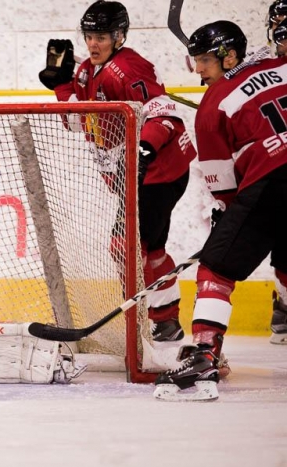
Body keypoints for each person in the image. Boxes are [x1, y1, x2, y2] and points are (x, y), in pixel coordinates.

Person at [38, 0, 197, 344]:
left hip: (157, 173)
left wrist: (145, 149)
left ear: (119, 36)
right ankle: (166, 320)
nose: (93, 44)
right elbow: (77, 122)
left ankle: (140, 320)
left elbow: (164, 114)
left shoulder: (128, 68)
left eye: (102, 37)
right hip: (132, 175)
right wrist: (62, 86)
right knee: (151, 251)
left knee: (123, 245)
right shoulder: (86, 72)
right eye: (89, 35)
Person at [154, 21, 287, 400]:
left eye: (206, 61)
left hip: (273, 179)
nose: (198, 70)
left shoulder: (213, 104)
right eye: (195, 60)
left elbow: (224, 185)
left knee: (217, 267)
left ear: (230, 56)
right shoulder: (281, 67)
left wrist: (229, 216)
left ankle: (205, 355)